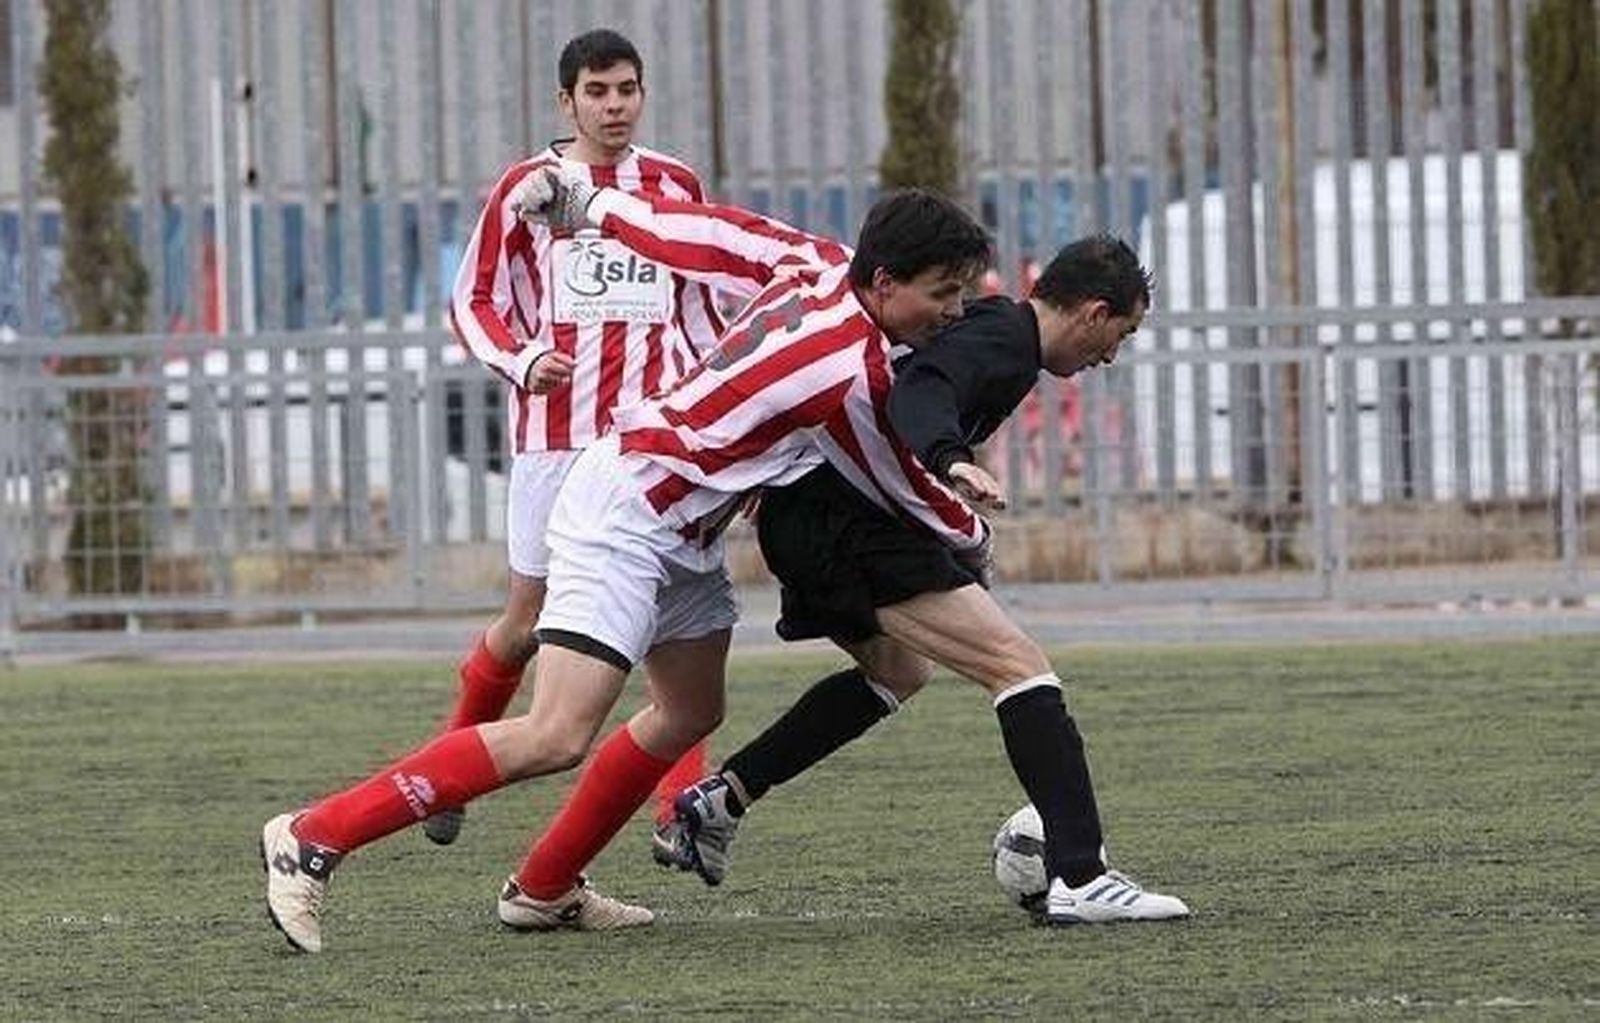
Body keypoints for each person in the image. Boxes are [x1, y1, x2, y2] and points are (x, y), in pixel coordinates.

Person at [259, 174, 994, 953]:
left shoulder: (820, 261)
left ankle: (544, 887)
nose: (952, 312)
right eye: (942, 293)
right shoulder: (846, 369)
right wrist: (970, 531)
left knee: (689, 711)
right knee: (555, 732)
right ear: (884, 281)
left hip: (684, 525)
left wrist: (593, 204)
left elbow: (704, 235)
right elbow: (892, 479)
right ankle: (313, 834)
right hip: (630, 511)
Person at [664, 235, 1192, 926]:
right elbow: (922, 389)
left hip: (818, 518)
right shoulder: (1006, 339)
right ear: (1093, 313)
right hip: (847, 526)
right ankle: (1081, 875)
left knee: (898, 671)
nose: (1110, 356)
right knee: (1021, 667)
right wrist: (951, 459)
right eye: (1117, 335)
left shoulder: (998, 330)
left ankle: (722, 799)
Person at [432, 29, 720, 851]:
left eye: (626, 89)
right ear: (567, 100)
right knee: (527, 620)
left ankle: (679, 812)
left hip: (652, 444)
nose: (614, 104)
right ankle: (446, 770)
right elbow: (474, 298)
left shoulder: (673, 184)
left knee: (676, 612)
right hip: (557, 442)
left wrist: (704, 401)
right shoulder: (530, 187)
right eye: (597, 92)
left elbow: (696, 299)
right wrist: (523, 361)